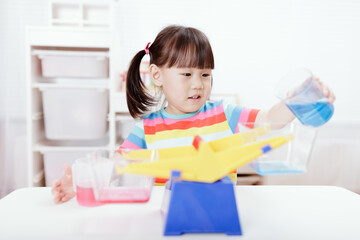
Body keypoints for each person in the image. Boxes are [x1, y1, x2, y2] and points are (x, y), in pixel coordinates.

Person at [52, 25, 335, 204]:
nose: (198, 83)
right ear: (157, 75)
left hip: (220, 214)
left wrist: (299, 99)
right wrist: (79, 183)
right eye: (186, 74)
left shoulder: (224, 113)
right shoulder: (147, 128)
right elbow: (115, 167)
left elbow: (267, 120)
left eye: (205, 74)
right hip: (167, 220)